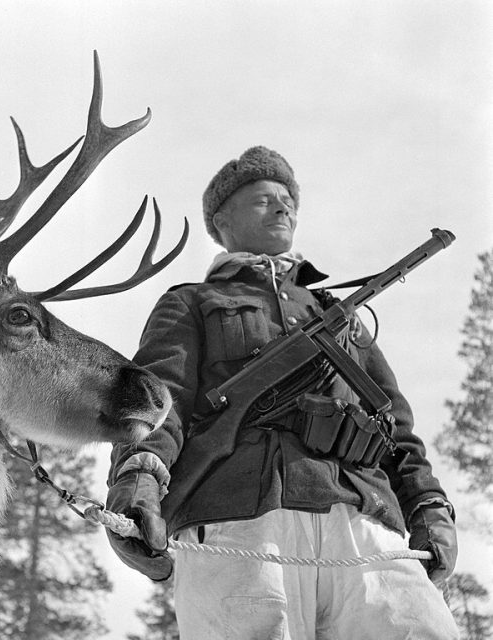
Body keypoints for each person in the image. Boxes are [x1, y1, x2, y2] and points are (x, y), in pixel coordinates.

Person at [105, 146, 459, 639]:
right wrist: (138, 480)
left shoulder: (341, 316)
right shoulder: (193, 302)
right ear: (221, 221)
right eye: (262, 200)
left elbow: (394, 425)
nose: (282, 208)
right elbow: (160, 401)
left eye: (288, 200)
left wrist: (429, 505)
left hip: (362, 520)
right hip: (239, 521)